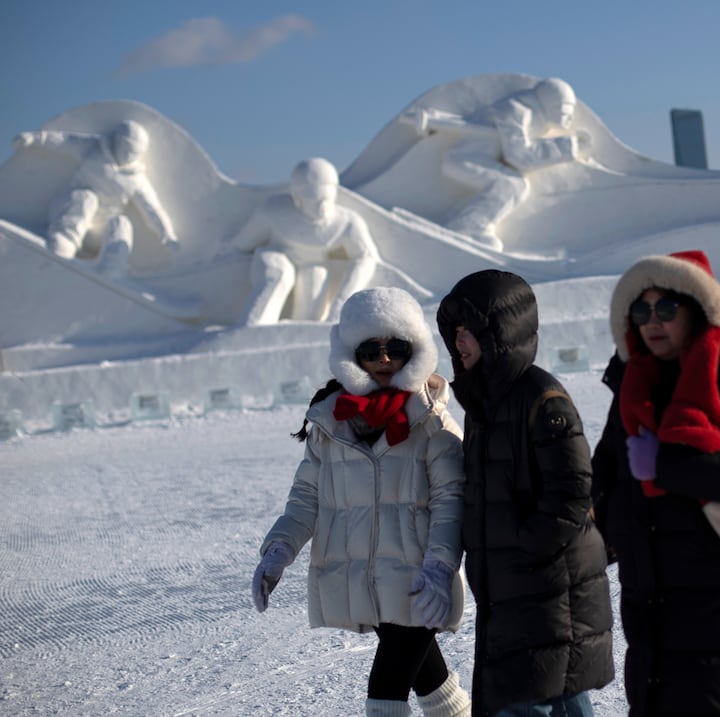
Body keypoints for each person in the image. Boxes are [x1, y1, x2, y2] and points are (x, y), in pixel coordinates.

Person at [252, 287, 471, 717]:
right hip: (371, 581)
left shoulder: (432, 421)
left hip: (418, 580)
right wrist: (278, 550)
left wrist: (440, 566)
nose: (385, 359)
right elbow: (306, 497)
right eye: (372, 349)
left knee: (385, 694)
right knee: (430, 681)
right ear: (353, 354)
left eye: (397, 348)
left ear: (415, 351)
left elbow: (452, 500)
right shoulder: (330, 422)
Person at [591, 250, 720, 716]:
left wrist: (665, 466)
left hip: (717, 591)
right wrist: (609, 539)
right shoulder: (633, 385)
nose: (653, 321)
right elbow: (605, 479)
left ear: (696, 309)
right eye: (641, 310)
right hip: (649, 591)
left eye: (666, 308)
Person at [434, 269, 614, 716]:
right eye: (455, 332)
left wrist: (525, 545)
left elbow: (574, 490)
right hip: (514, 586)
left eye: (470, 331)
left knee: (531, 695)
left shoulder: (540, 395)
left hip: (546, 583)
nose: (459, 342)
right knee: (554, 690)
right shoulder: (483, 402)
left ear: (500, 333)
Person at [401, 78, 592, 251]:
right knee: (510, 185)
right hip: (465, 159)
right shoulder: (515, 111)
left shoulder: (530, 114)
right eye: (565, 107)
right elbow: (520, 156)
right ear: (551, 103)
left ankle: (460, 221)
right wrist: (568, 146)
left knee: (512, 184)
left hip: (477, 158)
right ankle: (467, 227)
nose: (568, 115)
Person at [12, 119, 179, 276]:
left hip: (98, 233)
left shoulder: (137, 180)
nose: (129, 155)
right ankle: (63, 243)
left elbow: (153, 208)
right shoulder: (94, 148)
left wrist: (168, 235)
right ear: (117, 141)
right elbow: (65, 140)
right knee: (87, 198)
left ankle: (112, 267)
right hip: (70, 214)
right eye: (127, 148)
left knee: (121, 222)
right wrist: (34, 138)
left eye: (135, 152)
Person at [229, 157, 379, 325]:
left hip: (313, 264)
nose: (320, 208)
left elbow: (366, 257)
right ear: (297, 197)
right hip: (276, 255)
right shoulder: (275, 211)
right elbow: (242, 244)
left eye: (325, 200)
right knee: (279, 276)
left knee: (315, 288)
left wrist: (341, 302)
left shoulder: (346, 222)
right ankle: (251, 327)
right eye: (312, 200)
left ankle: (297, 338)